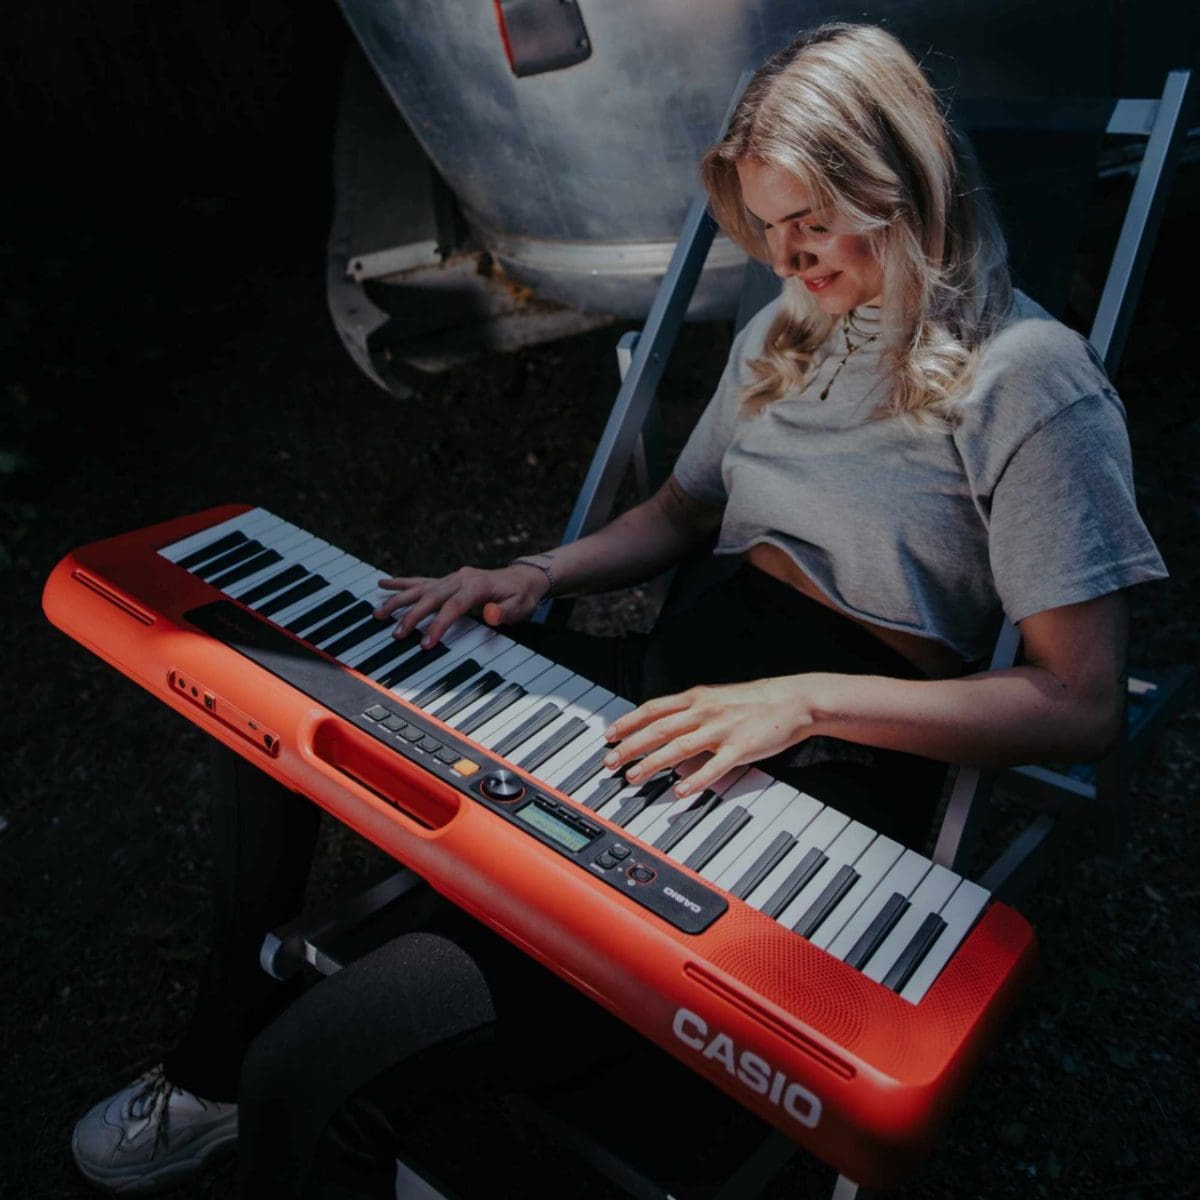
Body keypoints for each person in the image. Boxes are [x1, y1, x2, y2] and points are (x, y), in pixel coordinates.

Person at [71, 21, 1166, 1198]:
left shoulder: (1030, 379)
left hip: (801, 788)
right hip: (657, 703)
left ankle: (290, 1070)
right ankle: (214, 1064)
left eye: (809, 221)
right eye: (766, 224)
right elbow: (682, 510)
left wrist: (802, 702)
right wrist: (541, 573)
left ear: (896, 185)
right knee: (284, 680)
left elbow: (1079, 701)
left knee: (315, 1073)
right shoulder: (791, 328)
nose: (784, 254)